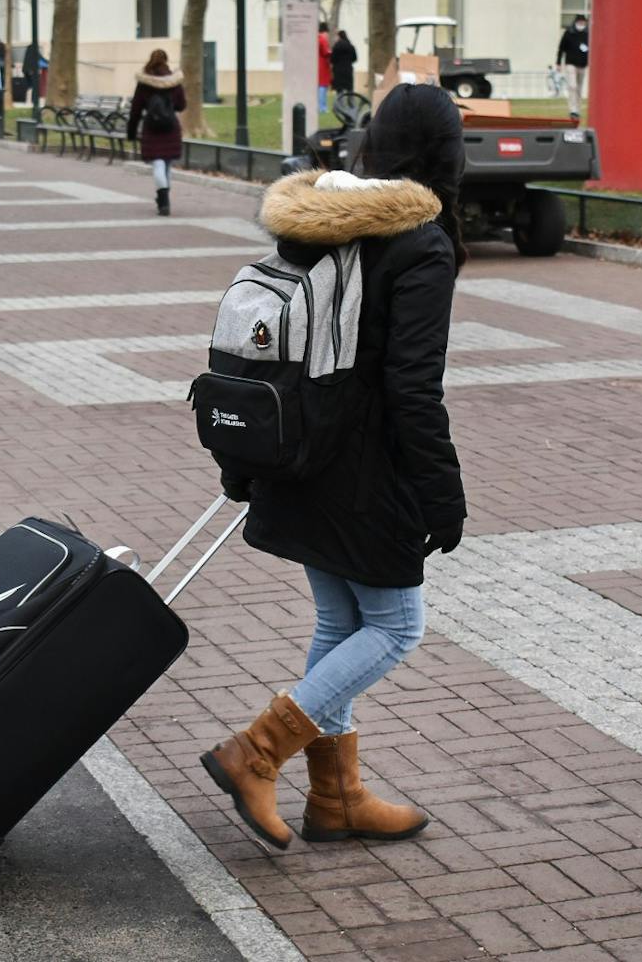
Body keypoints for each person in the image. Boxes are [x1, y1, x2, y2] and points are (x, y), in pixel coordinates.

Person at [200, 83, 467, 851]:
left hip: (296, 454)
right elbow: (413, 389)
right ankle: (255, 753)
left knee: (342, 620)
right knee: (395, 626)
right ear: (445, 155)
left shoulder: (317, 219)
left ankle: (337, 798)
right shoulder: (420, 239)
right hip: (363, 473)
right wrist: (441, 496)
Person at [127, 48, 186, 216]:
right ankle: (164, 199)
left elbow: (135, 110)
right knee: (166, 163)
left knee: (158, 163)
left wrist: (131, 132)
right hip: (170, 127)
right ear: (166, 61)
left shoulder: (144, 83)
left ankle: (163, 200)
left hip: (151, 128)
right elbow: (182, 105)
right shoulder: (174, 81)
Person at [555, 14, 589, 121]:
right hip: (571, 63)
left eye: (583, 23)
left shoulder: (587, 34)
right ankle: (572, 109)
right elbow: (561, 48)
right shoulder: (569, 33)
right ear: (575, 23)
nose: (581, 25)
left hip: (582, 65)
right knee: (572, 86)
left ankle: (577, 110)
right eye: (580, 23)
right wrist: (558, 62)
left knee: (579, 88)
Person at [330, 30, 357, 98]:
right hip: (348, 70)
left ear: (339, 36)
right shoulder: (351, 46)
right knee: (350, 89)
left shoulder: (336, 46)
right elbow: (355, 58)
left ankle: (340, 106)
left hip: (338, 71)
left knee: (339, 90)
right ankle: (351, 106)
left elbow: (332, 59)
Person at [317, 21, 332, 113]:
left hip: (316, 66)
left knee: (318, 88)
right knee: (322, 88)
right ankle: (322, 107)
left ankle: (318, 106)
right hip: (323, 66)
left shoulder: (316, 39)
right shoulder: (323, 39)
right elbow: (326, 52)